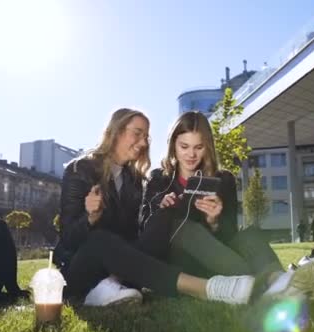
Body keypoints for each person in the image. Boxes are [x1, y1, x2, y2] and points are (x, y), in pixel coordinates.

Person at [54, 108, 256, 307]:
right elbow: (68, 240)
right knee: (100, 240)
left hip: (121, 266)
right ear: (116, 131)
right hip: (82, 267)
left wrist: (161, 214)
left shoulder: (134, 180)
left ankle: (109, 287)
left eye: (146, 137)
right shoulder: (79, 170)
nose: (143, 143)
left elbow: (136, 236)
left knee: (161, 218)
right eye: (137, 134)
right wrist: (90, 217)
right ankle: (207, 288)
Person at [140, 111, 314, 301]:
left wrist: (214, 220)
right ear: (173, 145)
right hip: (181, 262)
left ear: (207, 146)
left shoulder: (223, 180)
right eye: (184, 146)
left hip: (218, 257)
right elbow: (145, 229)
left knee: (249, 234)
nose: (191, 154)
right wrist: (161, 208)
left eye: (198, 147)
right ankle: (269, 283)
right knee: (185, 228)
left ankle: (279, 281)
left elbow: (230, 235)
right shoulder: (158, 179)